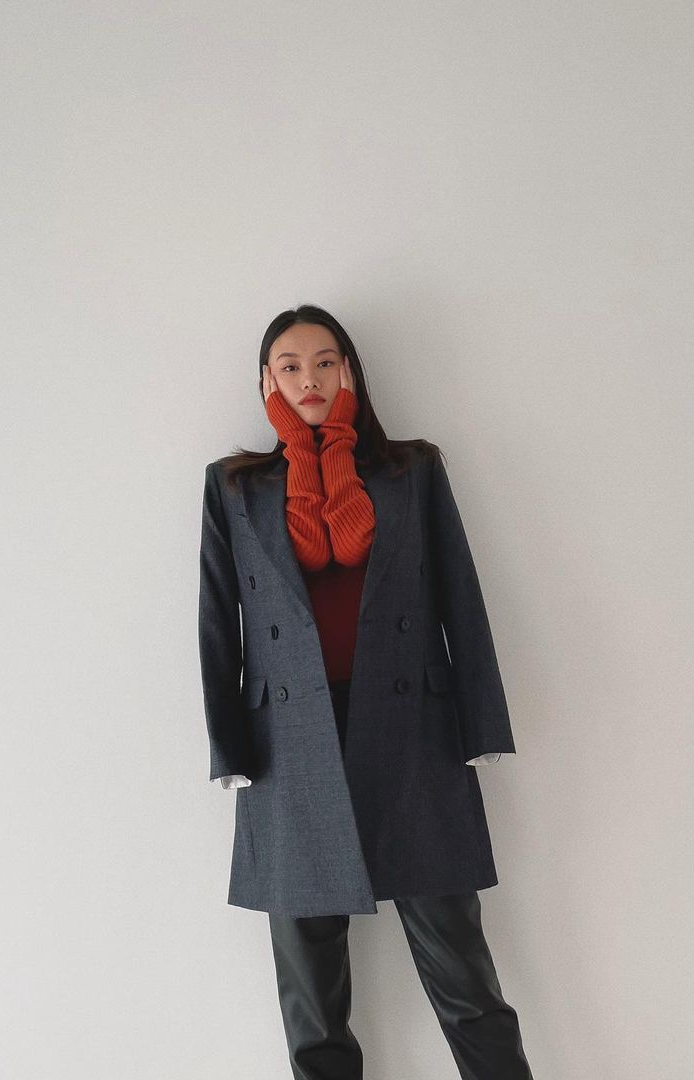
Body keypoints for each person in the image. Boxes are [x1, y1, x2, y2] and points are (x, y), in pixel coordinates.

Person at [199, 305, 534, 1079]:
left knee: (466, 983)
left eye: (325, 361)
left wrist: (482, 725)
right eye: (290, 366)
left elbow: (459, 593)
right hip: (289, 750)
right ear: (266, 381)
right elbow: (217, 619)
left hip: (413, 733)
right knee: (313, 1006)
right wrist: (228, 747)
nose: (309, 379)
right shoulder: (234, 485)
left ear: (349, 369)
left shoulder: (412, 470)